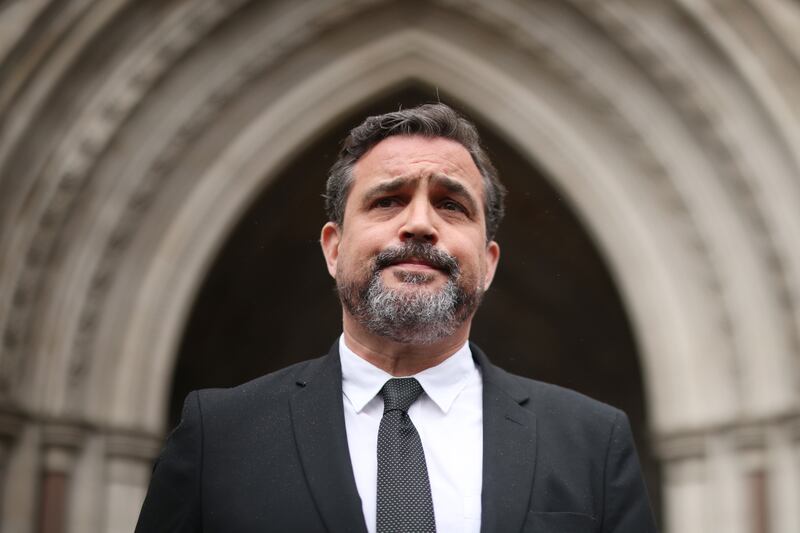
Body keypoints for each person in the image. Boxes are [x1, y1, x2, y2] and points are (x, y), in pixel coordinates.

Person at [135, 103, 657, 532]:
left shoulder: (591, 440)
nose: (420, 224)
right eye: (388, 201)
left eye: (452, 205)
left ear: (489, 262)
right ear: (333, 248)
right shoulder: (219, 436)